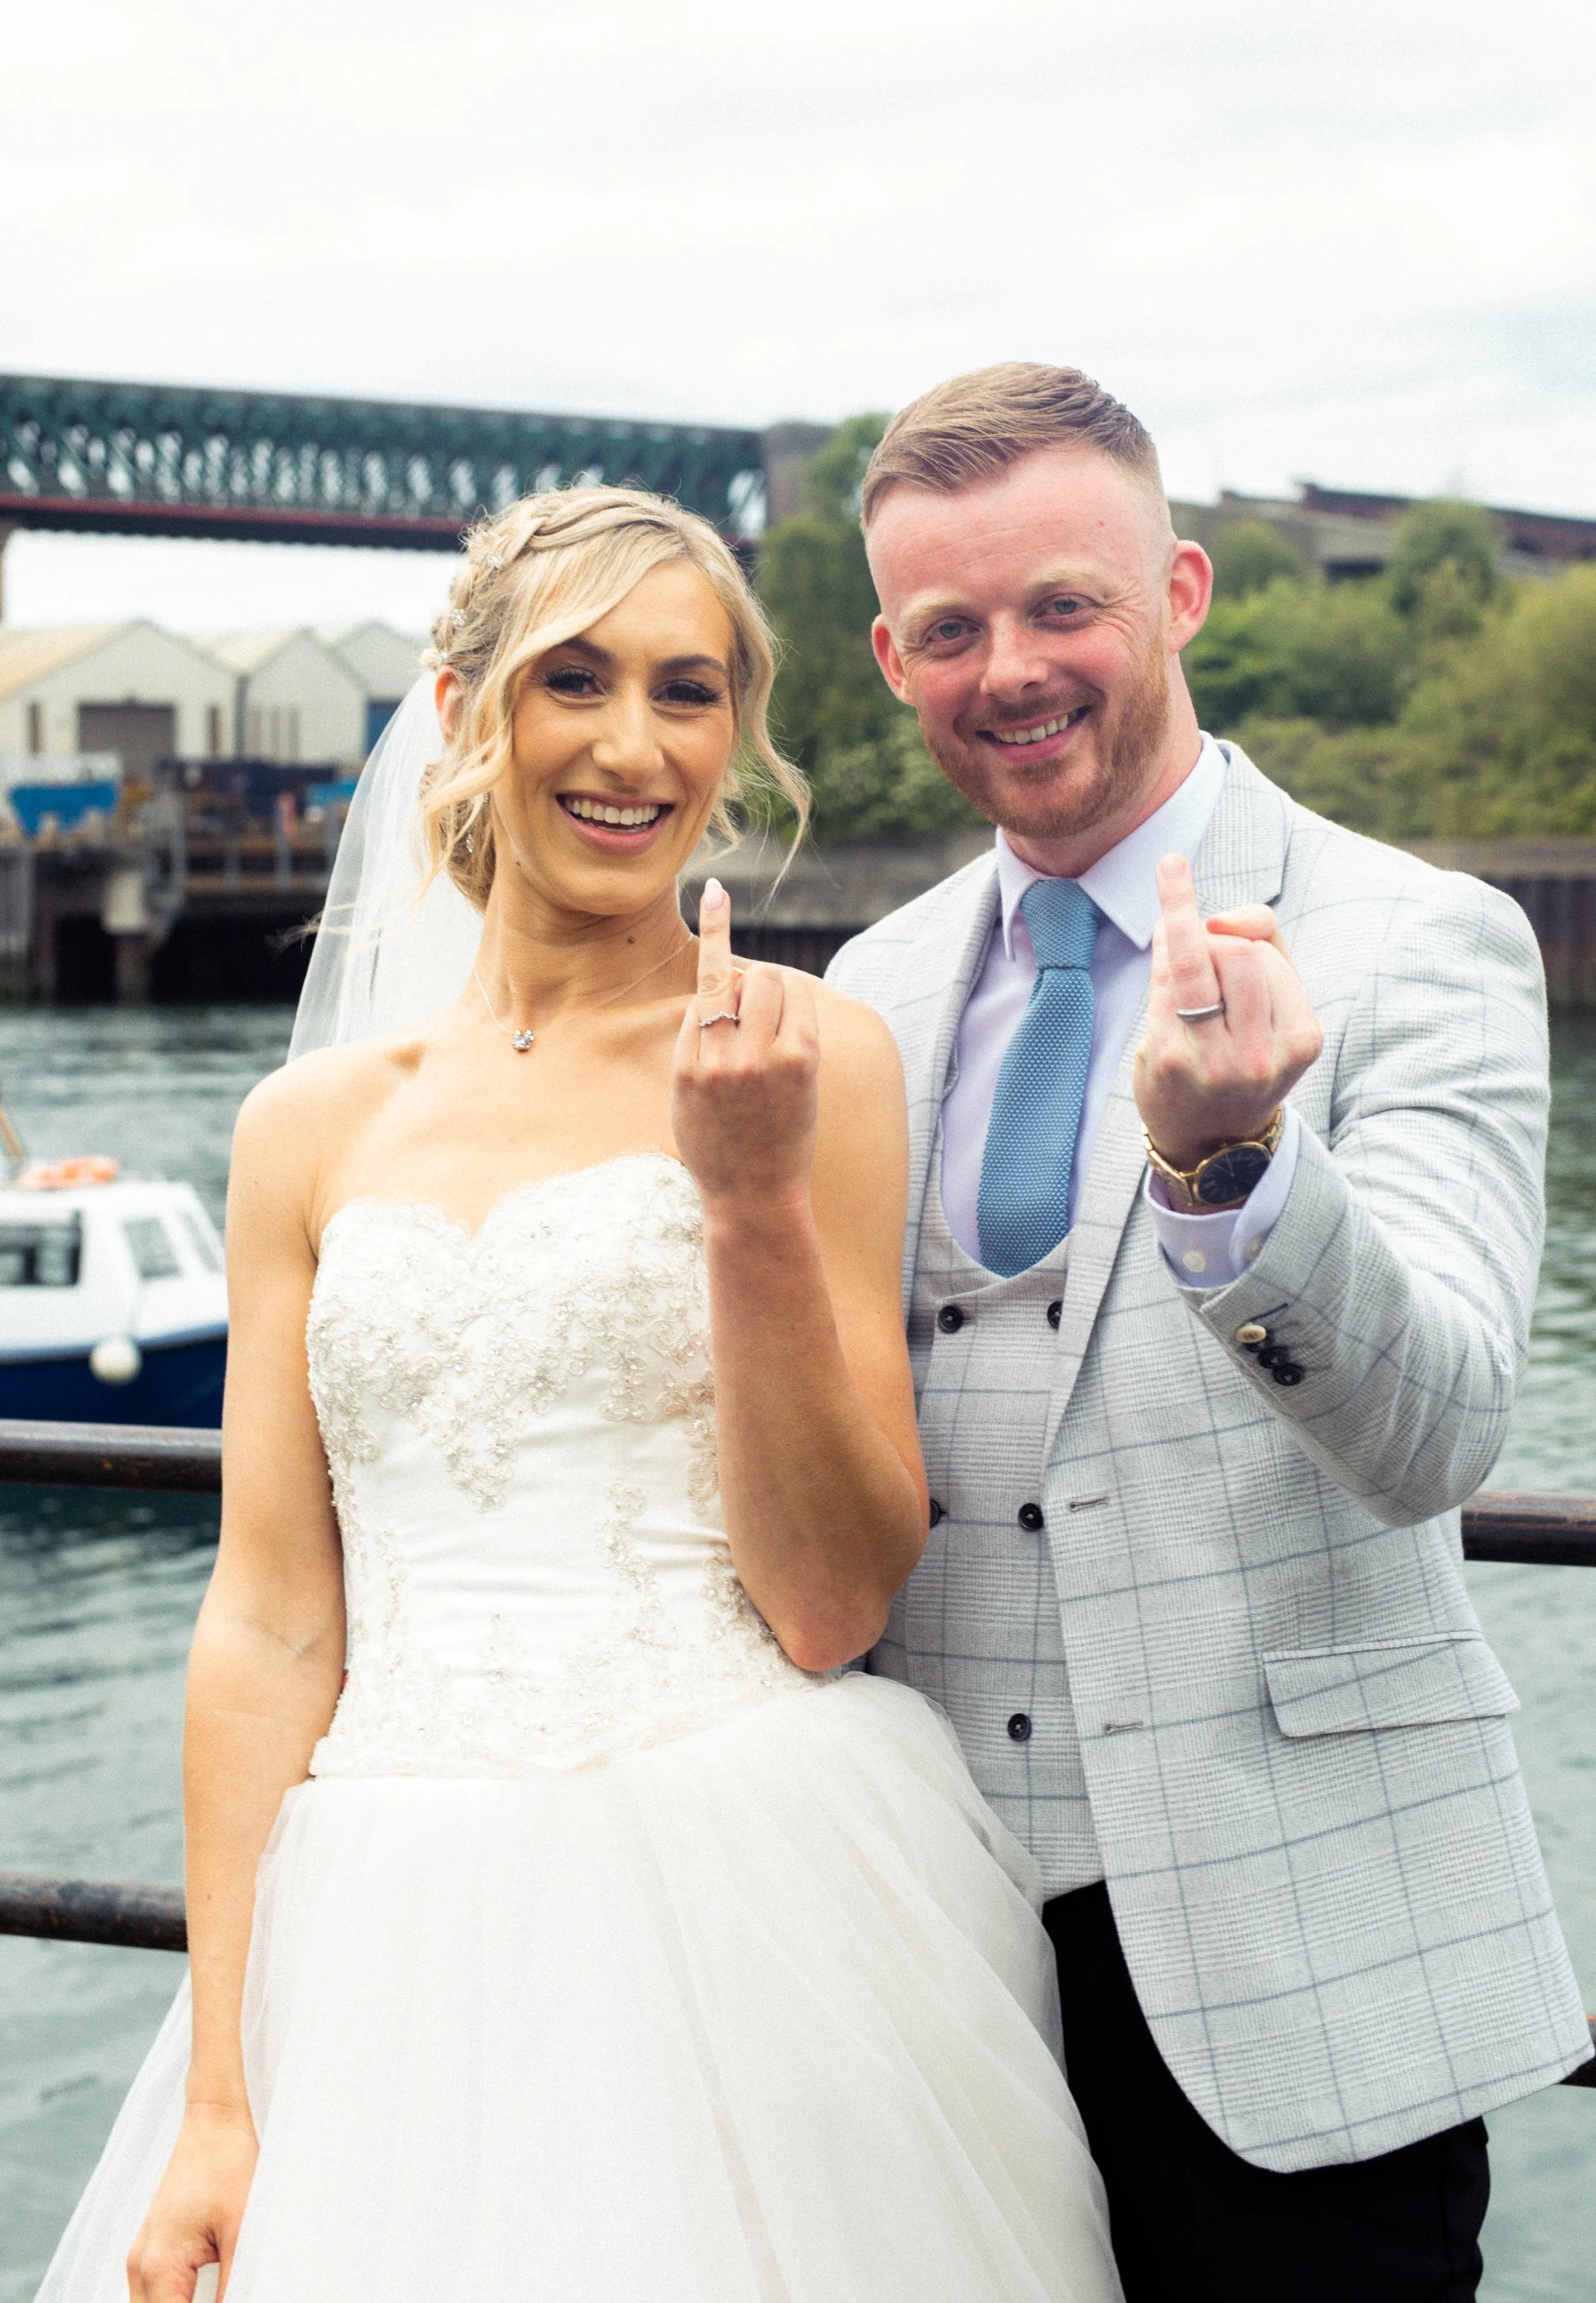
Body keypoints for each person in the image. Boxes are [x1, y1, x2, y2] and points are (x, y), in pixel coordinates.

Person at [37, 487, 1123, 2302]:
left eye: (687, 690)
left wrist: (753, 1196)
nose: (633, 746)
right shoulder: (305, 1127)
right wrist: (221, 2086)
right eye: (576, 680)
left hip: (752, 1887)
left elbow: (835, 1599)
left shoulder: (809, 1054)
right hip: (378, 1930)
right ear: (464, 713)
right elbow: (270, 1616)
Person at [825, 362, 1592, 2303]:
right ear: (890, 655)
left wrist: (1230, 1168)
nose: (1009, 667)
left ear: (1175, 594)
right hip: (934, 1971)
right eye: (950, 628)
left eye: (1061, 604)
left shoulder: (1420, 937)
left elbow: (1439, 1425)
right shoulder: (867, 983)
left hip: (1303, 1978)